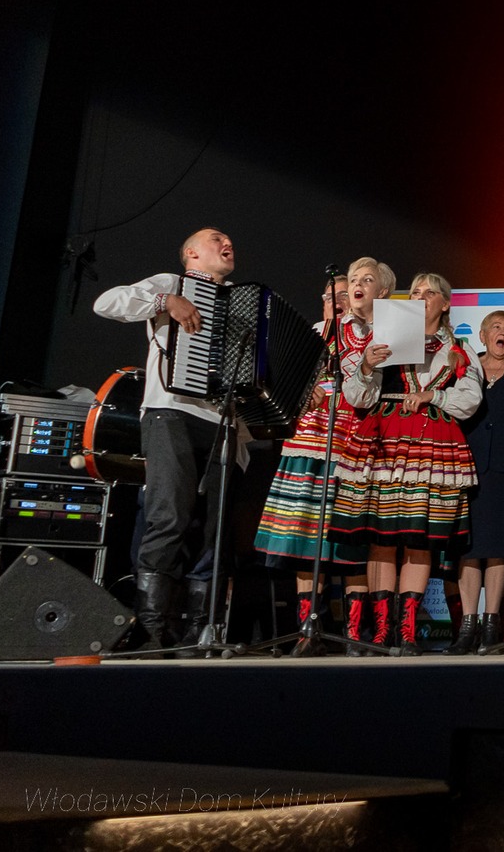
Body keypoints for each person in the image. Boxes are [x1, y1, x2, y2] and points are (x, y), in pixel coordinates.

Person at [94, 228, 244, 650]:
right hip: (171, 410)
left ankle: (199, 633)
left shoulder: (243, 303)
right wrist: (166, 302)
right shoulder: (171, 282)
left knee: (213, 531)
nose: (227, 243)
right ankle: (151, 631)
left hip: (224, 422)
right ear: (191, 253)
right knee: (169, 515)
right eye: (216, 238)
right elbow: (106, 303)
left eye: (229, 240)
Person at [334, 272, 482, 654]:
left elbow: (470, 398)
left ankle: (408, 632)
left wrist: (434, 396)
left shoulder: (458, 348)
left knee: (419, 539)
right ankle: (381, 631)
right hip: (384, 440)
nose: (421, 297)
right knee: (382, 538)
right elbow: (357, 396)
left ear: (445, 304)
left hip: (431, 444)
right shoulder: (383, 339)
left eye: (430, 292)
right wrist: (367, 366)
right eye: (415, 292)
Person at [252, 259, 390, 645]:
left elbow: (370, 393)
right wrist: (301, 393)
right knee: (305, 542)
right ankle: (307, 630)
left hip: (353, 446)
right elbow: (282, 377)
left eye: (348, 294)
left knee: (350, 544)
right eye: (335, 295)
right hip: (310, 443)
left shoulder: (377, 335)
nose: (341, 300)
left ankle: (355, 633)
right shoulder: (317, 332)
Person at [451, 309, 504, 653]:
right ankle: (467, 626)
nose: (503, 333)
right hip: (467, 465)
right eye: (496, 327)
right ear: (482, 336)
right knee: (469, 549)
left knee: (499, 548)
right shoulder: (464, 368)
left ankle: (491, 625)